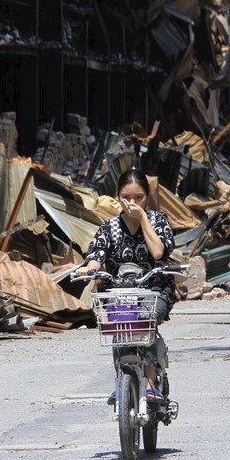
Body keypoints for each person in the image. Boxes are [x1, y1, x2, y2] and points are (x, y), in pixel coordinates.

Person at [75, 168, 176, 402]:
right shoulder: (109, 228)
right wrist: (90, 268)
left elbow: (158, 252)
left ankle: (151, 383)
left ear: (147, 197)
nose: (132, 203)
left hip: (154, 291)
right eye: (126, 197)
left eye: (138, 197)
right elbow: (96, 254)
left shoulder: (158, 221)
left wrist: (143, 219)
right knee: (119, 327)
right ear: (118, 197)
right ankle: (121, 379)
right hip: (120, 293)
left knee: (144, 320)